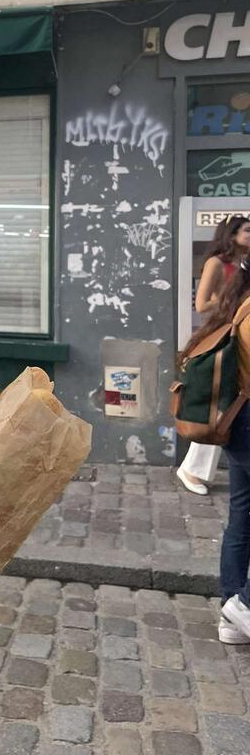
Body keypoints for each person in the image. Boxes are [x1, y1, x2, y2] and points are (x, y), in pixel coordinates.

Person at [179, 256, 250, 645]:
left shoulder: (238, 306)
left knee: (242, 518)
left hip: (241, 424)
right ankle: (244, 605)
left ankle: (232, 612)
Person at [177, 214, 250, 496]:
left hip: (241, 335)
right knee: (220, 403)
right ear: (231, 235)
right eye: (246, 231)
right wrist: (231, 295)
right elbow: (201, 304)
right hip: (224, 336)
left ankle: (196, 469)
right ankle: (192, 469)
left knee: (228, 406)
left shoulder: (244, 263)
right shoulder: (217, 263)